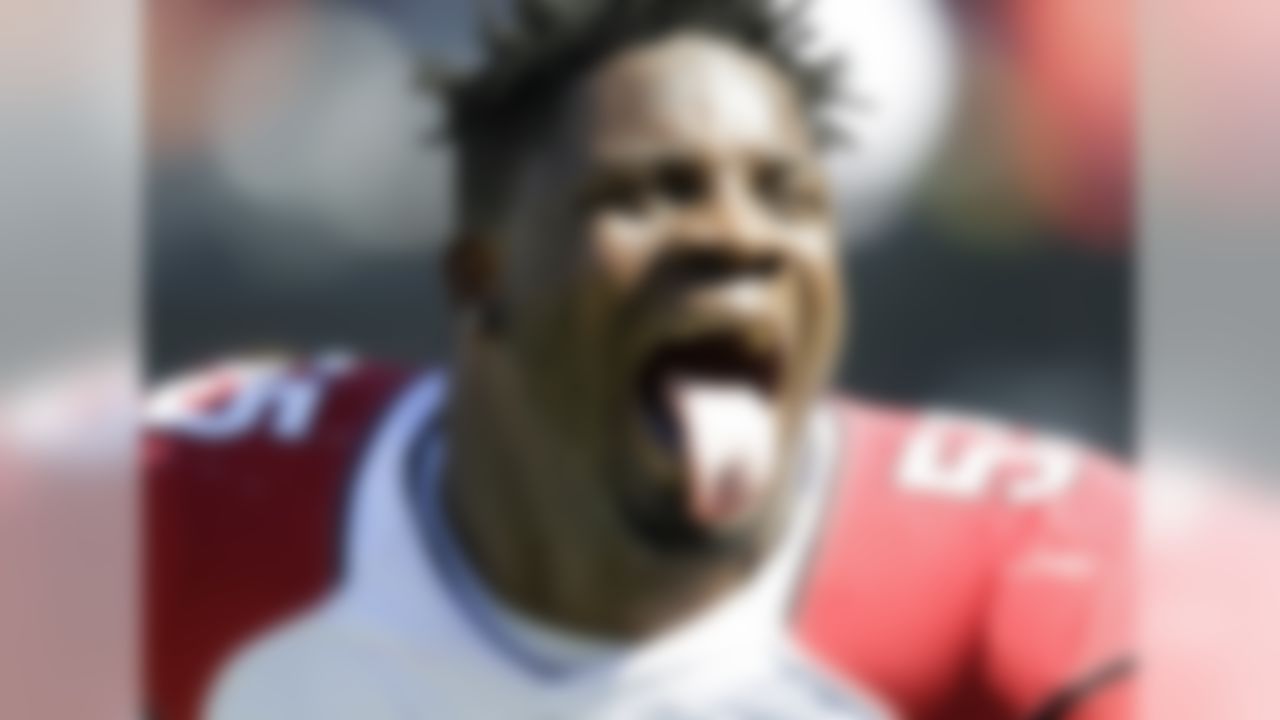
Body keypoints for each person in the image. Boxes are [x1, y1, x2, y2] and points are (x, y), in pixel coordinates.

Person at [147, 1, 1133, 718]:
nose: (734, 252)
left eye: (782, 205)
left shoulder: (1049, 582)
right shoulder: (165, 505)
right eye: (655, 203)